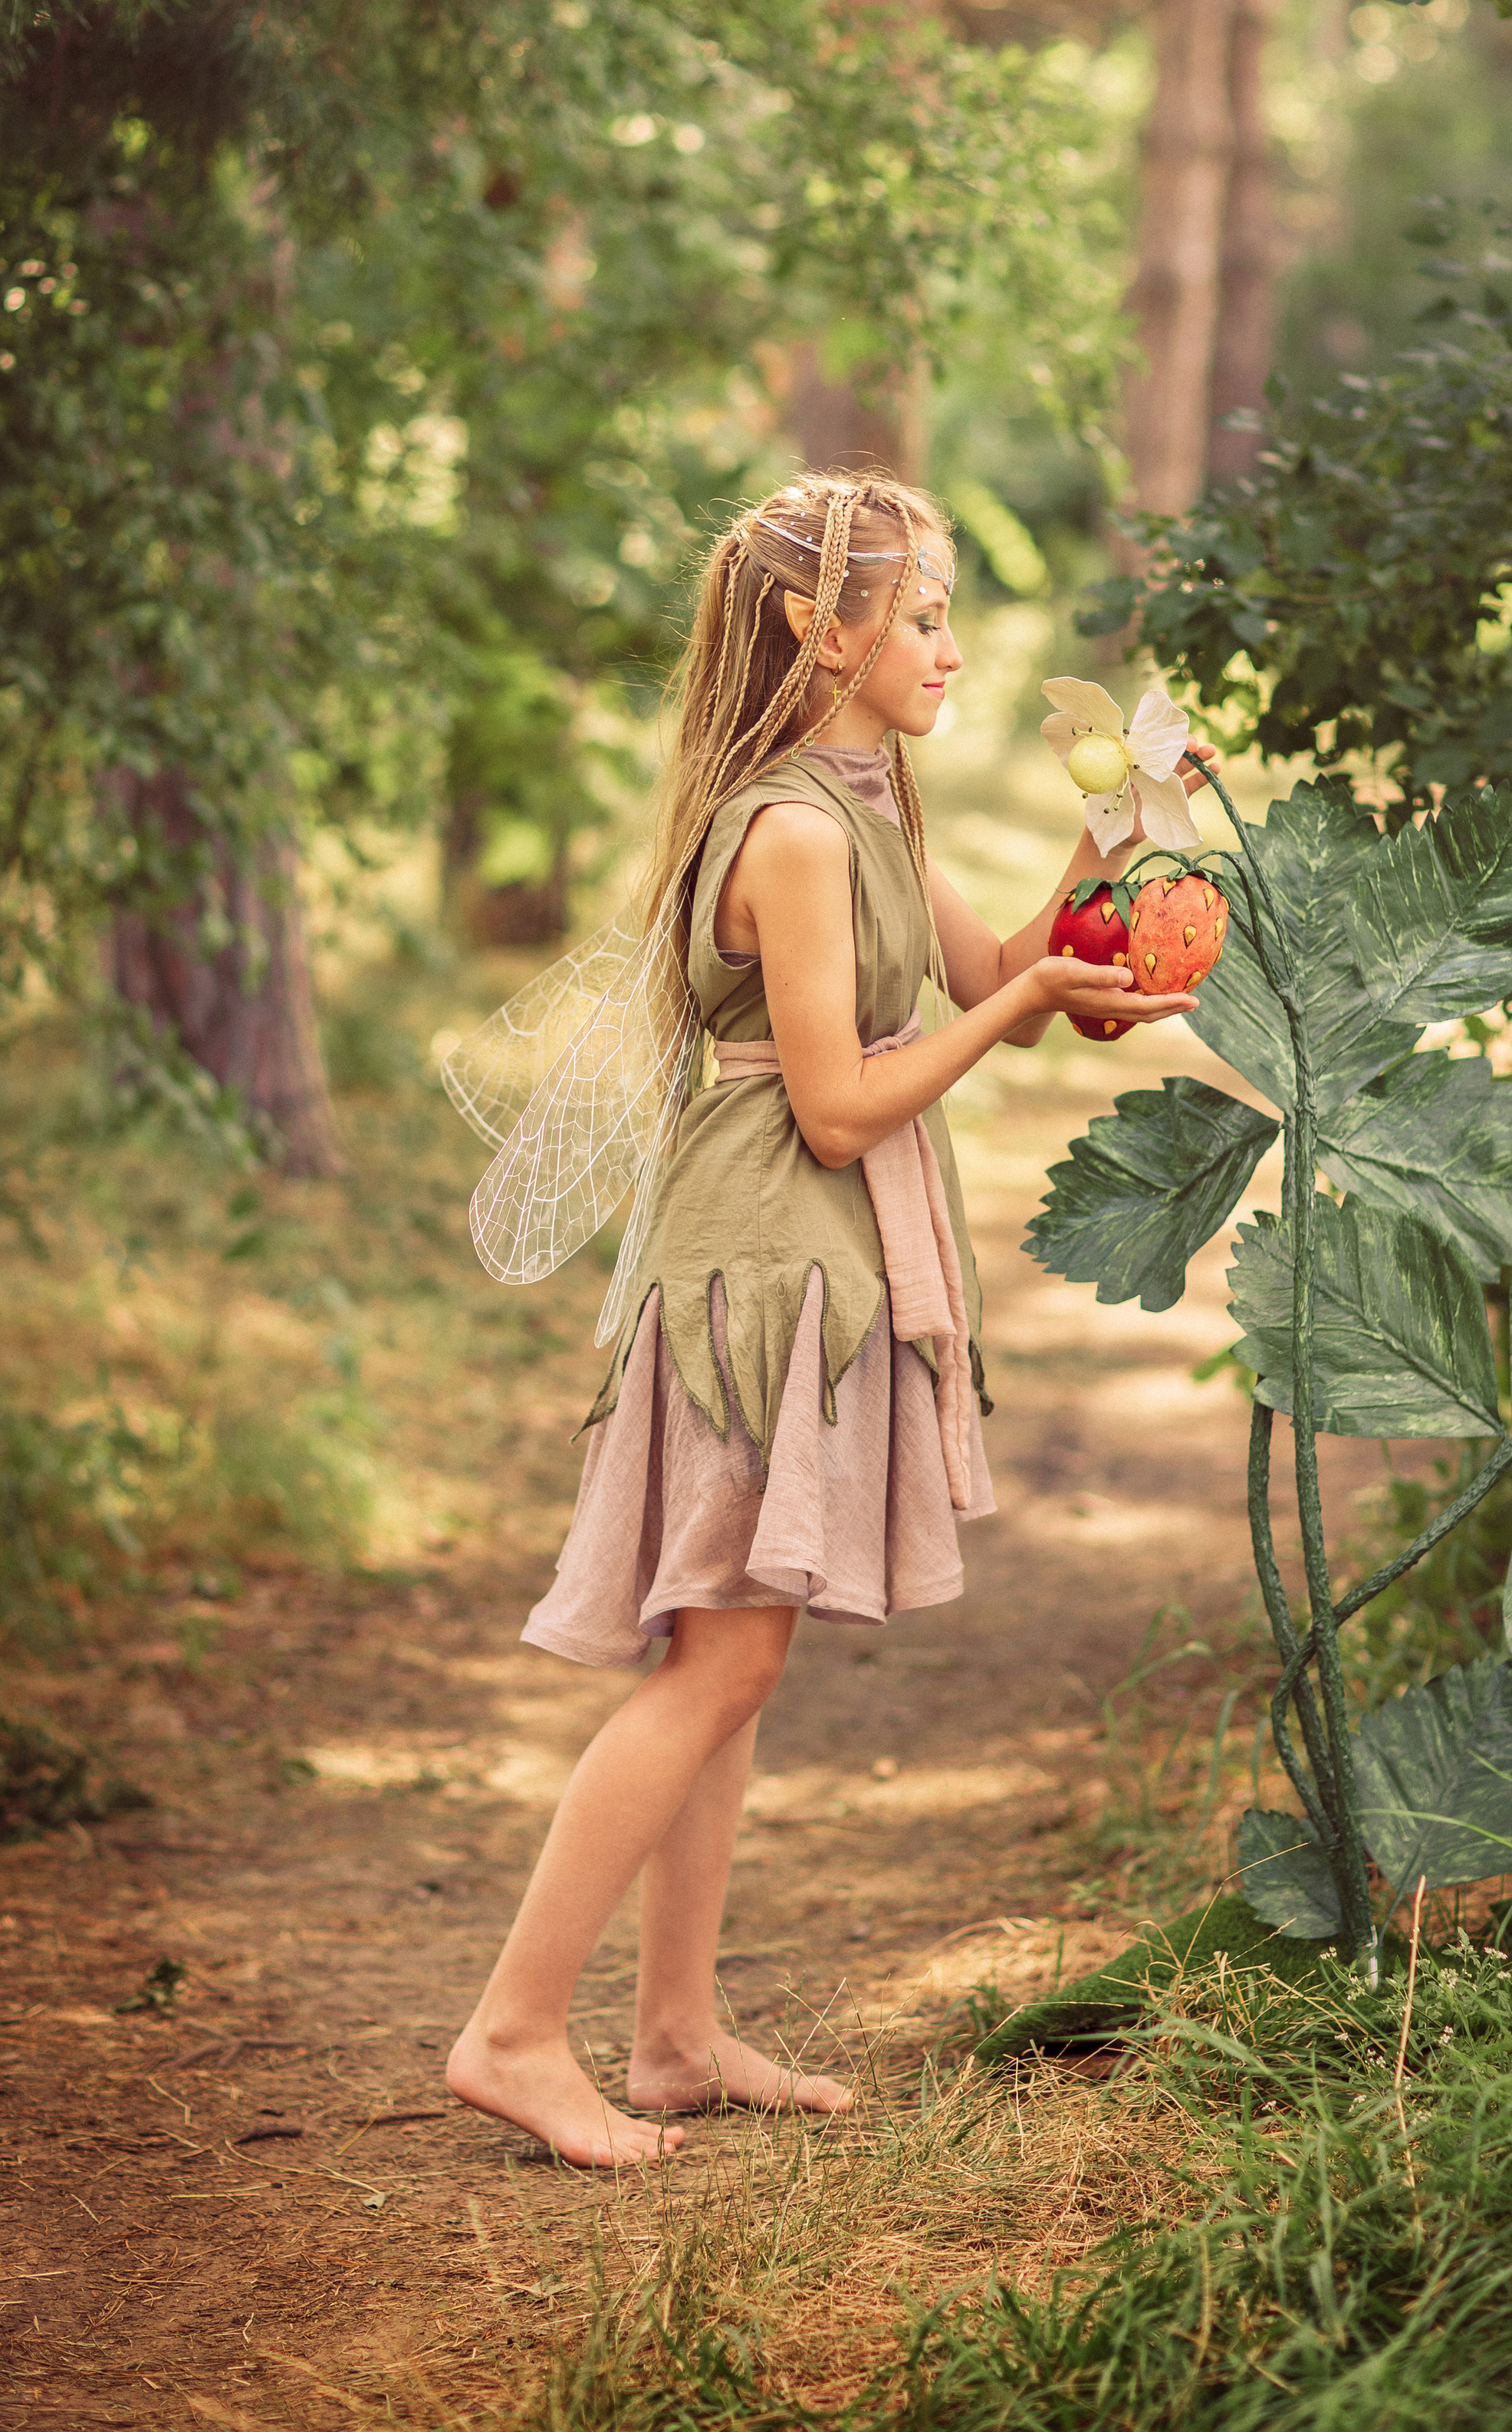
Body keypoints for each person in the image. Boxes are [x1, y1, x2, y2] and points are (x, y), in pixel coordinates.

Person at [444, 470, 1201, 2167]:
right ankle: (508, 2027)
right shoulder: (788, 828)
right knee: (720, 1651)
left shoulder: (872, 803)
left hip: (810, 1262)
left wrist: (1126, 824)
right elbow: (842, 1106)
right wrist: (1020, 993)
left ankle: (674, 2030)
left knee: (732, 1648)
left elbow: (1000, 976)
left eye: (942, 613)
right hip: (755, 1269)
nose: (947, 645)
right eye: (923, 613)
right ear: (822, 626)